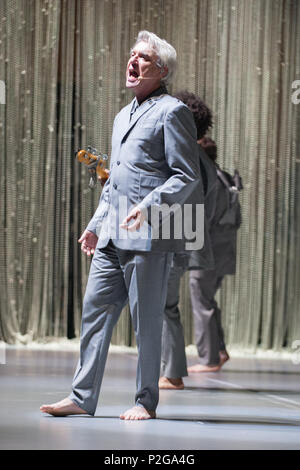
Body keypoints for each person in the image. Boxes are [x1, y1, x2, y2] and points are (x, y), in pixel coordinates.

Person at [40, 31, 203, 420]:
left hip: (148, 236)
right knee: (94, 312)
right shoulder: (122, 115)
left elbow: (186, 175)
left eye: (143, 57)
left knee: (146, 323)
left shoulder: (172, 111)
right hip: (113, 234)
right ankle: (82, 397)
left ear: (161, 70)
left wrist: (150, 207)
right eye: (131, 54)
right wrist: (96, 223)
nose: (132, 61)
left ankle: (146, 401)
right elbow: (114, 181)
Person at [159, 92, 217, 390]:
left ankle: (172, 373)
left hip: (175, 238)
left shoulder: (189, 157)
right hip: (184, 238)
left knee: (165, 305)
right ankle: (171, 370)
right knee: (166, 305)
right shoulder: (201, 158)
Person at [188, 137, 242, 373]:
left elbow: (203, 219)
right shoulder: (225, 177)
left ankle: (209, 358)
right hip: (223, 250)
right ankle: (218, 351)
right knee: (208, 301)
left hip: (207, 251)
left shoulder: (208, 180)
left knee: (201, 301)